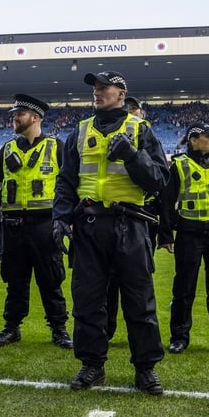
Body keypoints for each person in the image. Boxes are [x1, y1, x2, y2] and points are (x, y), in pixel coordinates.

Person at [53, 71, 169, 395]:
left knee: (139, 301)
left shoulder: (140, 130)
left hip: (130, 225)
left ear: (122, 94)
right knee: (88, 301)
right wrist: (60, 218)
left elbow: (160, 180)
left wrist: (133, 156)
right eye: (95, 87)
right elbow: (66, 181)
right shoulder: (79, 131)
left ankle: (145, 369)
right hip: (89, 226)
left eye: (105, 87)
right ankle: (92, 364)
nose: (98, 91)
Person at [0, 94, 72, 350]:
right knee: (14, 279)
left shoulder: (57, 147)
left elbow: (69, 186)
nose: (14, 119)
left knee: (51, 279)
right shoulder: (8, 148)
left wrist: (69, 219)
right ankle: (12, 328)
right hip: (12, 225)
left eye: (19, 115)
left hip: (46, 225)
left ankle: (59, 329)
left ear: (35, 117)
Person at [158, 122, 209, 357]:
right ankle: (179, 337)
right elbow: (167, 202)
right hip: (189, 235)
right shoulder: (179, 165)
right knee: (183, 290)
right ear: (194, 140)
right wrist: (165, 235)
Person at [107, 95, 159, 340]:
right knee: (100, 291)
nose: (132, 113)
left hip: (137, 222)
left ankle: (144, 359)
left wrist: (132, 155)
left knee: (138, 293)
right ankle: (103, 337)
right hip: (98, 223)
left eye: (135, 109)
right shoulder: (88, 131)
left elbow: (159, 182)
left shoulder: (144, 133)